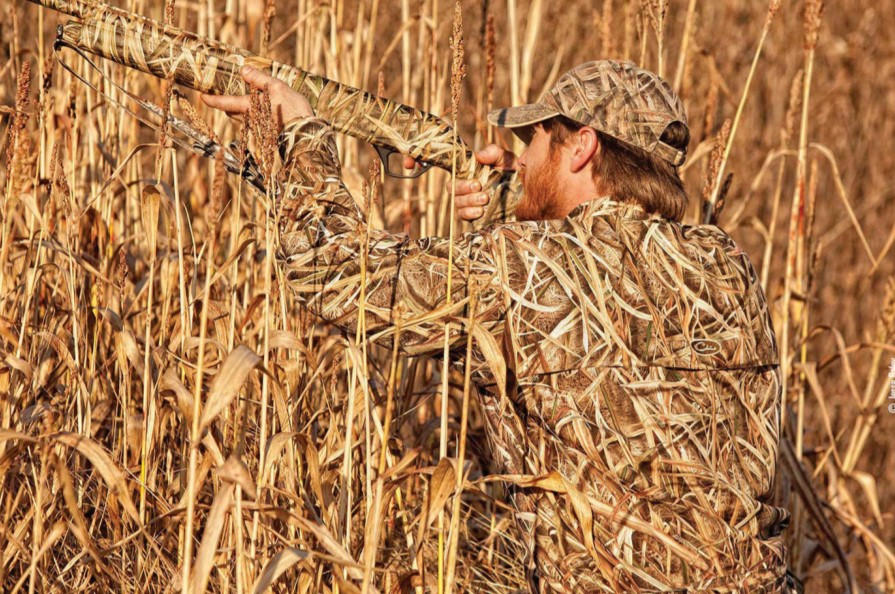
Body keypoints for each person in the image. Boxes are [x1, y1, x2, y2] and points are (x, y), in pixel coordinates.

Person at [203, 60, 795, 593]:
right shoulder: (726, 267)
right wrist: (525, 197)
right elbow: (597, 324)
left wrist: (302, 133)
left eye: (534, 140)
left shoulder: (524, 265)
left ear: (582, 146)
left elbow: (332, 270)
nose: (522, 154)